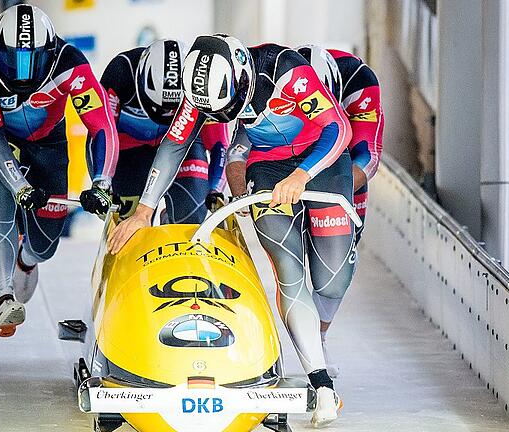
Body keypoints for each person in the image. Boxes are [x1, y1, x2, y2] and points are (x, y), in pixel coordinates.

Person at [107, 34, 352, 428]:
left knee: (332, 280)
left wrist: (303, 174)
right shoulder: (197, 94)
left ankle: (316, 338)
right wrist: (144, 211)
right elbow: (174, 144)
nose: (221, 116)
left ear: (240, 77)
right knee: (288, 269)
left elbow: (337, 129)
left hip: (321, 163)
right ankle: (321, 383)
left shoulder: (285, 72)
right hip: (268, 166)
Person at [0, 4, 119, 337]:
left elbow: (101, 125)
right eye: (12, 60)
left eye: (31, 61)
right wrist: (19, 185)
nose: (21, 73)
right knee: (2, 194)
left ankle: (26, 257)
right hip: (2, 139)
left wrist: (102, 182)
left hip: (49, 143)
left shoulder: (70, 63)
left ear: (48, 52)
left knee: (46, 243)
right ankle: (3, 296)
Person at [297, 45, 385, 376]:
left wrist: (327, 189)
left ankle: (318, 336)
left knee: (335, 267)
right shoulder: (282, 75)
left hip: (341, 167)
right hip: (290, 158)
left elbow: (369, 155)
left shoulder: (360, 81)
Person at [99, 39, 228, 221]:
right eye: (158, 107)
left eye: (173, 110)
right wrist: (101, 182)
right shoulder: (122, 71)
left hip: (183, 147)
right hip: (130, 151)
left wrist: (216, 189)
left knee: (190, 217)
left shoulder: (202, 84)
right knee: (128, 229)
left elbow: (219, 145)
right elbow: (102, 132)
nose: (166, 114)